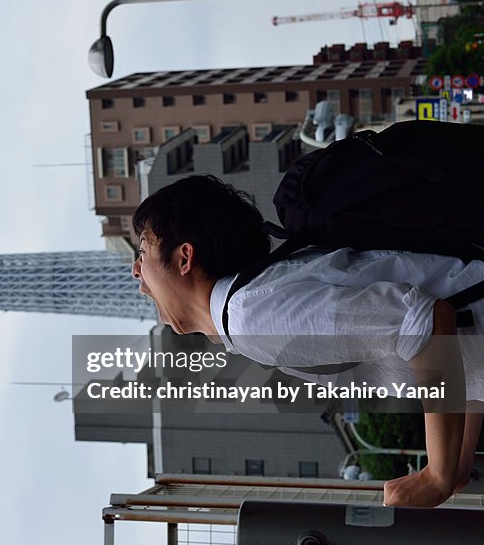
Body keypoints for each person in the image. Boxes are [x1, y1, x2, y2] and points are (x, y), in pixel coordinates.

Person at [130, 174, 483, 508]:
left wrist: (438, 473)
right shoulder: (259, 296)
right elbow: (454, 348)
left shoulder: (252, 318)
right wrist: (459, 457)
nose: (136, 271)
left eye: (143, 252)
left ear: (184, 258)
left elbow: (430, 323)